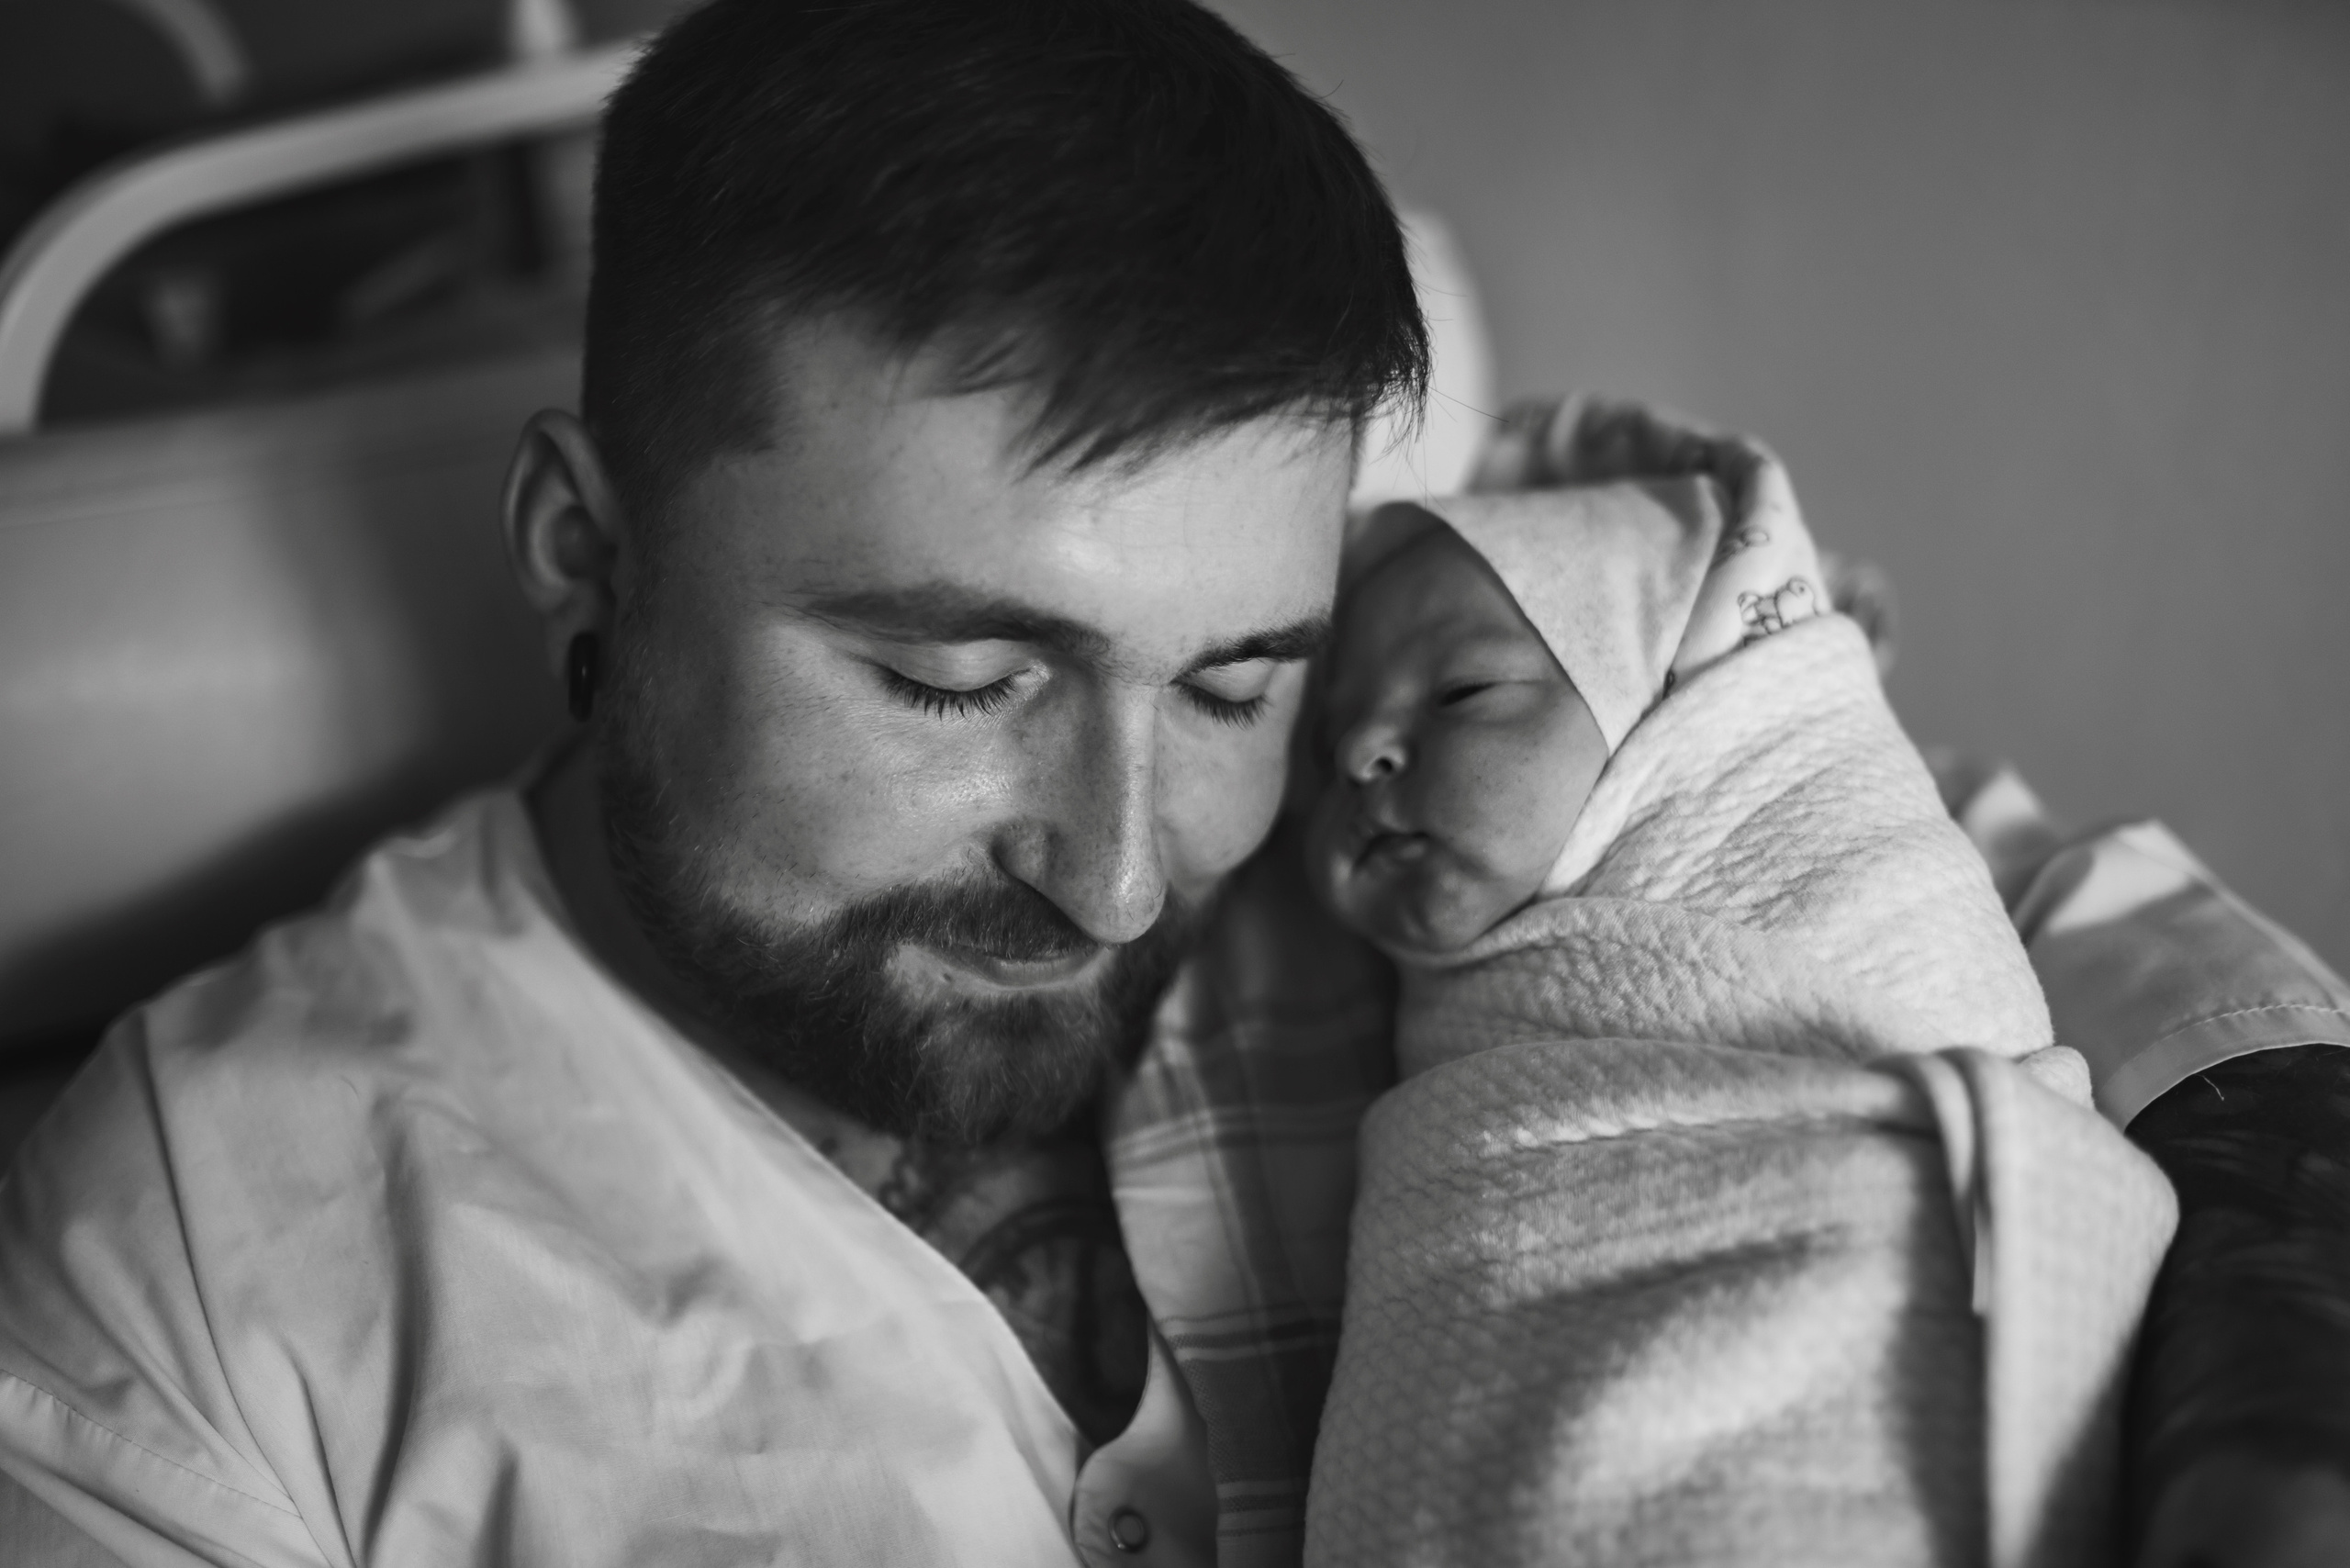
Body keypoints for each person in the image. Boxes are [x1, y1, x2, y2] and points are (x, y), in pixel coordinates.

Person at [0, 2, 2344, 1564]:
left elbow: (2120, 961)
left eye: (1231, 681)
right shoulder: (196, 1277)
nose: (1123, 873)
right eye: (951, 681)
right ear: (581, 548)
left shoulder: (1451, 785)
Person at [1298, 400, 2174, 1564]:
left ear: (1669, 728)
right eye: (1331, 746)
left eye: (1459, 695)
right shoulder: (1441, 1014)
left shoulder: (1863, 875)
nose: (1361, 757)